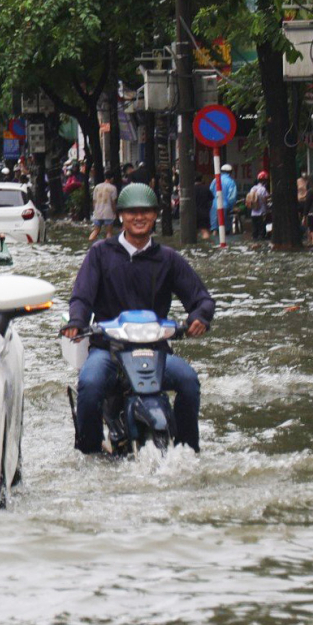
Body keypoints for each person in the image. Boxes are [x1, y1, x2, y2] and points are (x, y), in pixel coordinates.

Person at [61, 183, 215, 453]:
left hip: (156, 350)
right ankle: (90, 452)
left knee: (189, 381)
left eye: (146, 212)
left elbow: (201, 297)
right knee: (89, 384)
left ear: (155, 215)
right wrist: (77, 322)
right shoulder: (100, 254)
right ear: (121, 215)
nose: (139, 217)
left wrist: (200, 317)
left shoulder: (168, 259)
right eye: (132, 212)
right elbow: (82, 297)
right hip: (108, 350)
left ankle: (188, 451)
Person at [211, 164, 240, 236]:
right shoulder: (231, 182)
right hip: (225, 206)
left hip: (214, 206)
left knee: (214, 229)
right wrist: (233, 206)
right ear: (230, 172)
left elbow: (211, 190)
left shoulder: (215, 180)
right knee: (225, 230)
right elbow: (232, 197)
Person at [88, 174, 118, 242]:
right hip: (108, 212)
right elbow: (113, 202)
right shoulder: (113, 188)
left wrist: (95, 211)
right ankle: (108, 247)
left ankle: (89, 242)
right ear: (112, 178)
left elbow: (94, 201)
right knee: (109, 233)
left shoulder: (97, 187)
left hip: (98, 212)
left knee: (95, 231)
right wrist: (114, 212)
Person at [245, 172, 271, 243]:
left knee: (255, 229)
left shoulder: (253, 188)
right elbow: (266, 199)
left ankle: (254, 241)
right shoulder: (263, 189)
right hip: (261, 212)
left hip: (253, 213)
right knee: (262, 230)